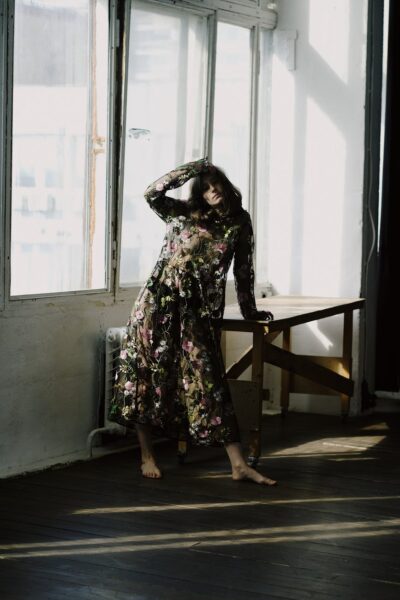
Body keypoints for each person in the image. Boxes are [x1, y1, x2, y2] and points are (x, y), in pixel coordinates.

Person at [109, 157, 277, 486]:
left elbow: (244, 271)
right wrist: (192, 169)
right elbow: (151, 193)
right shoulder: (181, 212)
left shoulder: (238, 222)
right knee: (147, 377)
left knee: (210, 381)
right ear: (199, 191)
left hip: (198, 312)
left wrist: (250, 311)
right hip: (156, 304)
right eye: (207, 187)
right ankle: (147, 455)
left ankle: (238, 464)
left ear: (227, 188)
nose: (214, 191)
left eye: (218, 186)